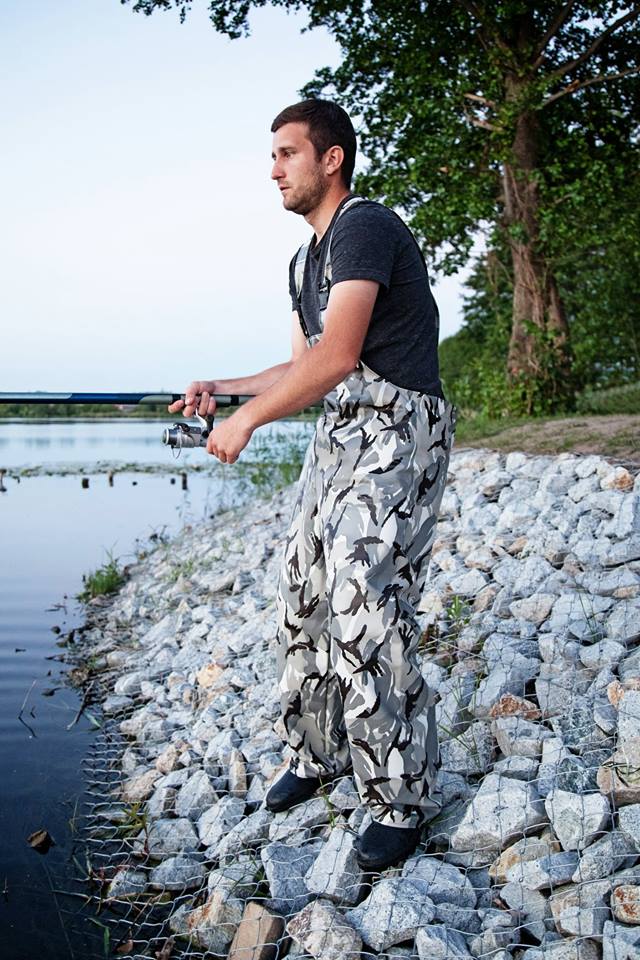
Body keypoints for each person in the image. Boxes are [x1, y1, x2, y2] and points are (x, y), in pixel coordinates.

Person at [169, 99, 457, 872]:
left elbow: (338, 358)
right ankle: (317, 750)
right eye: (272, 156)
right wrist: (223, 390)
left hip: (398, 429)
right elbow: (304, 366)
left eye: (287, 153)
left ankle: (398, 796)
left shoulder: (365, 228)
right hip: (340, 434)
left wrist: (247, 423)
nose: (273, 171)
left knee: (363, 598)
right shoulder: (304, 262)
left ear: (332, 159)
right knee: (303, 592)